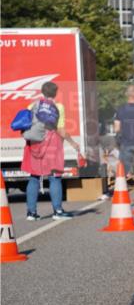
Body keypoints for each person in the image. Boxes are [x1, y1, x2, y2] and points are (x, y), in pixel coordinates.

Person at [21, 81, 82, 221]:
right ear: (55, 93)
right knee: (54, 177)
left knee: (34, 177)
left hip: (34, 144)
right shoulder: (58, 107)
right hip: (51, 145)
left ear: (42, 92)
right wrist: (72, 143)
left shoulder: (32, 105)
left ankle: (31, 213)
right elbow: (60, 130)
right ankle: (58, 211)